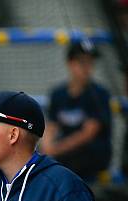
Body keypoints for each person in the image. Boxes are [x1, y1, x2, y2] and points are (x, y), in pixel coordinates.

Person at [43, 38, 113, 184]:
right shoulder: (58, 94)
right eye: (82, 62)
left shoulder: (99, 94)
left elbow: (88, 134)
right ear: (70, 63)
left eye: (90, 63)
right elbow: (52, 126)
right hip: (66, 154)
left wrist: (55, 150)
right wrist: (46, 147)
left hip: (89, 156)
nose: (87, 68)